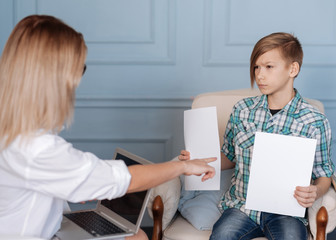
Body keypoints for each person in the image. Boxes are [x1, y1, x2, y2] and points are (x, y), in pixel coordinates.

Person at [0, 15, 216, 240]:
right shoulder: (36, 148)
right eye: (77, 69)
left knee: (134, 235)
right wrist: (183, 168)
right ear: (55, 79)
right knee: (138, 238)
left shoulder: (13, 132)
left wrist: (76, 183)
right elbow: (125, 180)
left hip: (42, 227)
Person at [179, 32, 335, 240]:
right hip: (241, 207)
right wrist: (198, 161)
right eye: (256, 67)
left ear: (293, 69)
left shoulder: (315, 121)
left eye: (269, 67)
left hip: (287, 212)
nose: (259, 75)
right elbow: (229, 156)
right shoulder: (242, 111)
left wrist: (316, 191)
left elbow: (323, 173)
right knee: (221, 237)